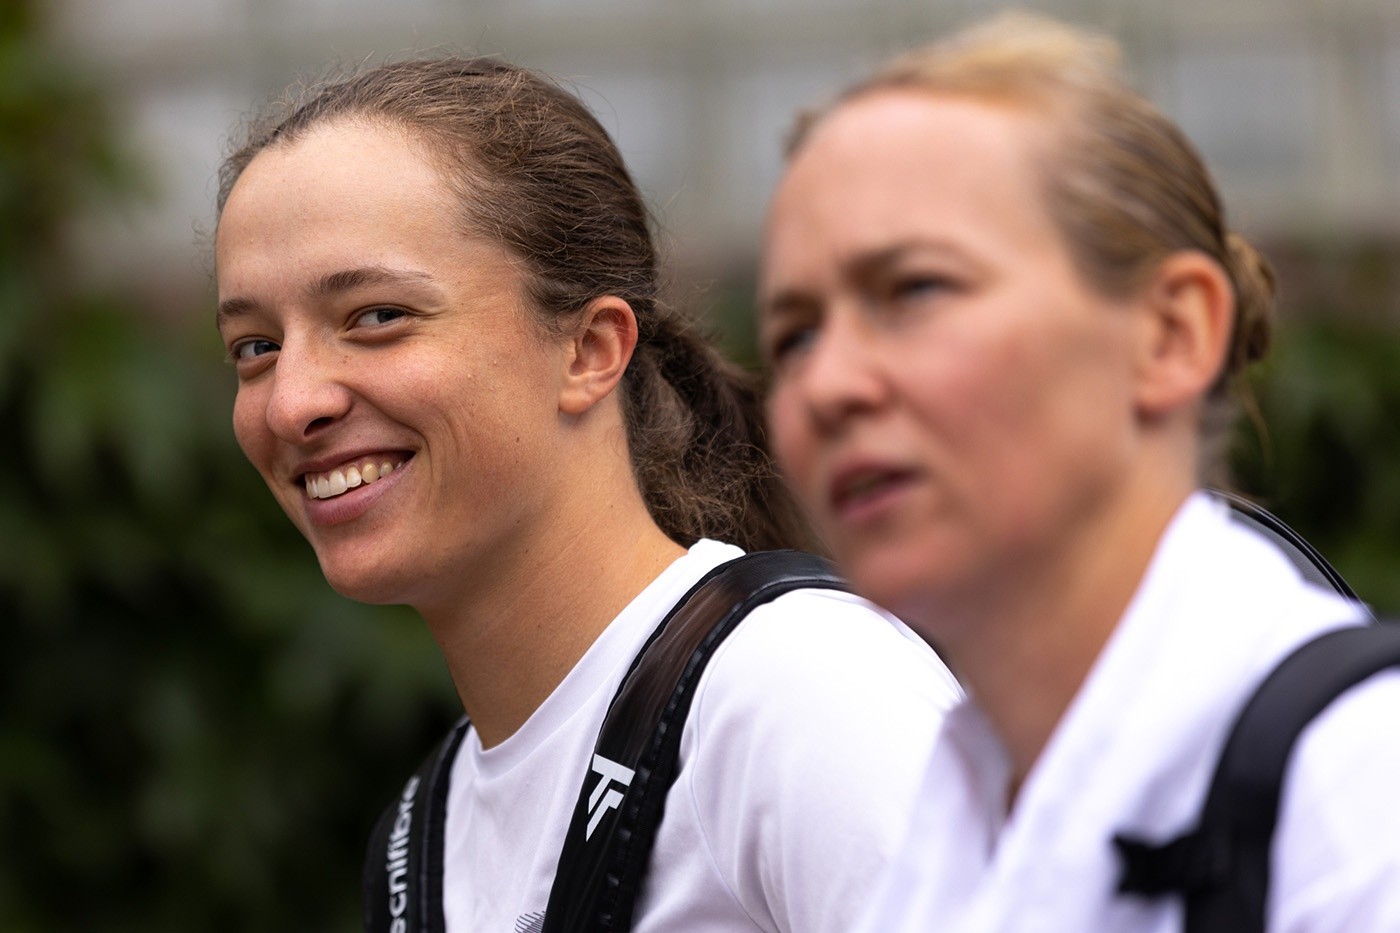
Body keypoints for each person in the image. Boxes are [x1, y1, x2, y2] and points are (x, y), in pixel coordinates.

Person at [213, 56, 960, 932]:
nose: (293, 402)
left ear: (590, 351)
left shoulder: (799, 691)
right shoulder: (424, 838)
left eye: (377, 316)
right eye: (256, 347)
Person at [759, 12, 1398, 932]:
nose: (827, 384)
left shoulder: (1357, 792)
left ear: (1171, 334)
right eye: (795, 336)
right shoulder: (956, 806)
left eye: (916, 289)